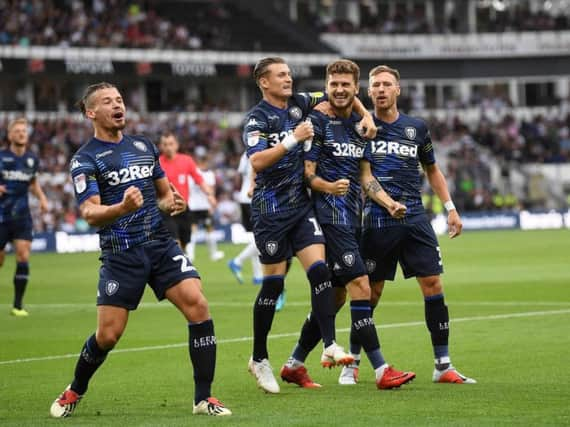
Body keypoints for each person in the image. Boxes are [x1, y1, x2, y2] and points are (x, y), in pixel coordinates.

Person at [50, 82, 231, 418]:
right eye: (107, 102)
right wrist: (121, 207)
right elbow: (89, 212)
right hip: (122, 253)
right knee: (108, 335)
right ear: (91, 112)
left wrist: (170, 202)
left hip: (159, 244)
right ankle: (75, 389)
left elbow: (163, 194)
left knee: (198, 304)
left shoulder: (143, 146)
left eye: (120, 99)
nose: (118, 105)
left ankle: (203, 398)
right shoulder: (85, 159)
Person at [243, 57, 376, 394]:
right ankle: (259, 358)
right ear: (264, 82)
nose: (289, 79)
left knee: (320, 273)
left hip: (301, 208)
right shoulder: (256, 119)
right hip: (269, 211)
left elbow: (340, 95)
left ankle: (329, 344)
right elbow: (257, 160)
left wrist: (366, 115)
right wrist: (291, 139)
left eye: (289, 74)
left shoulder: (301, 102)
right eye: (281, 75)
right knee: (273, 287)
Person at [280, 59, 415, 390]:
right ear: (326, 85)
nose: (339, 90)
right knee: (362, 287)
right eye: (334, 84)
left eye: (346, 85)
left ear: (357, 89)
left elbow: (366, 177)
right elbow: (308, 176)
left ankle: (294, 363)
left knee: (336, 299)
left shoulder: (361, 124)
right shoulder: (317, 119)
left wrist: (388, 203)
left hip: (352, 216)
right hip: (328, 217)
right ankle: (382, 370)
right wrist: (330, 187)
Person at [353, 65, 476, 384]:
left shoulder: (416, 128)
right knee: (371, 293)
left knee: (434, 285)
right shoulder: (362, 127)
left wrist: (450, 207)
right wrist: (388, 203)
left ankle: (443, 365)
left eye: (386, 84)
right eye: (375, 85)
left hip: (416, 218)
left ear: (398, 90)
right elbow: (364, 178)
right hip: (378, 220)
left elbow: (432, 170)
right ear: (369, 92)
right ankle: (351, 362)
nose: (380, 89)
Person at [0, 118, 48, 317]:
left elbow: (33, 182)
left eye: (24, 131)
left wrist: (42, 198)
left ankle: (18, 306)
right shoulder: (1, 157)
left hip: (22, 215)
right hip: (1, 216)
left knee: (23, 255)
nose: (21, 134)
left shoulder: (32, 159)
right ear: (10, 135)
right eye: (17, 131)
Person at [158, 132, 215, 251]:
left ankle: (179, 264)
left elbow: (199, 179)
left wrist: (210, 195)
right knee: (175, 243)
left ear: (176, 145)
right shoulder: (157, 164)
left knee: (184, 243)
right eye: (165, 144)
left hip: (183, 208)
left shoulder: (186, 161)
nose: (168, 147)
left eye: (171, 144)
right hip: (166, 209)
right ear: (161, 146)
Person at [227, 151, 263, 285]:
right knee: (261, 238)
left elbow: (240, 175)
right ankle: (237, 261)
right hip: (253, 198)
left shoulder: (245, 153)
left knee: (257, 238)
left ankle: (258, 276)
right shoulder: (263, 150)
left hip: (244, 197)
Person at [187, 154, 223, 262]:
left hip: (192, 206)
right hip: (205, 206)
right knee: (209, 229)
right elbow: (211, 190)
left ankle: (190, 255)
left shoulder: (192, 174)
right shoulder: (209, 174)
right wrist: (212, 205)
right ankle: (213, 254)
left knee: (193, 230)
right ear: (205, 162)